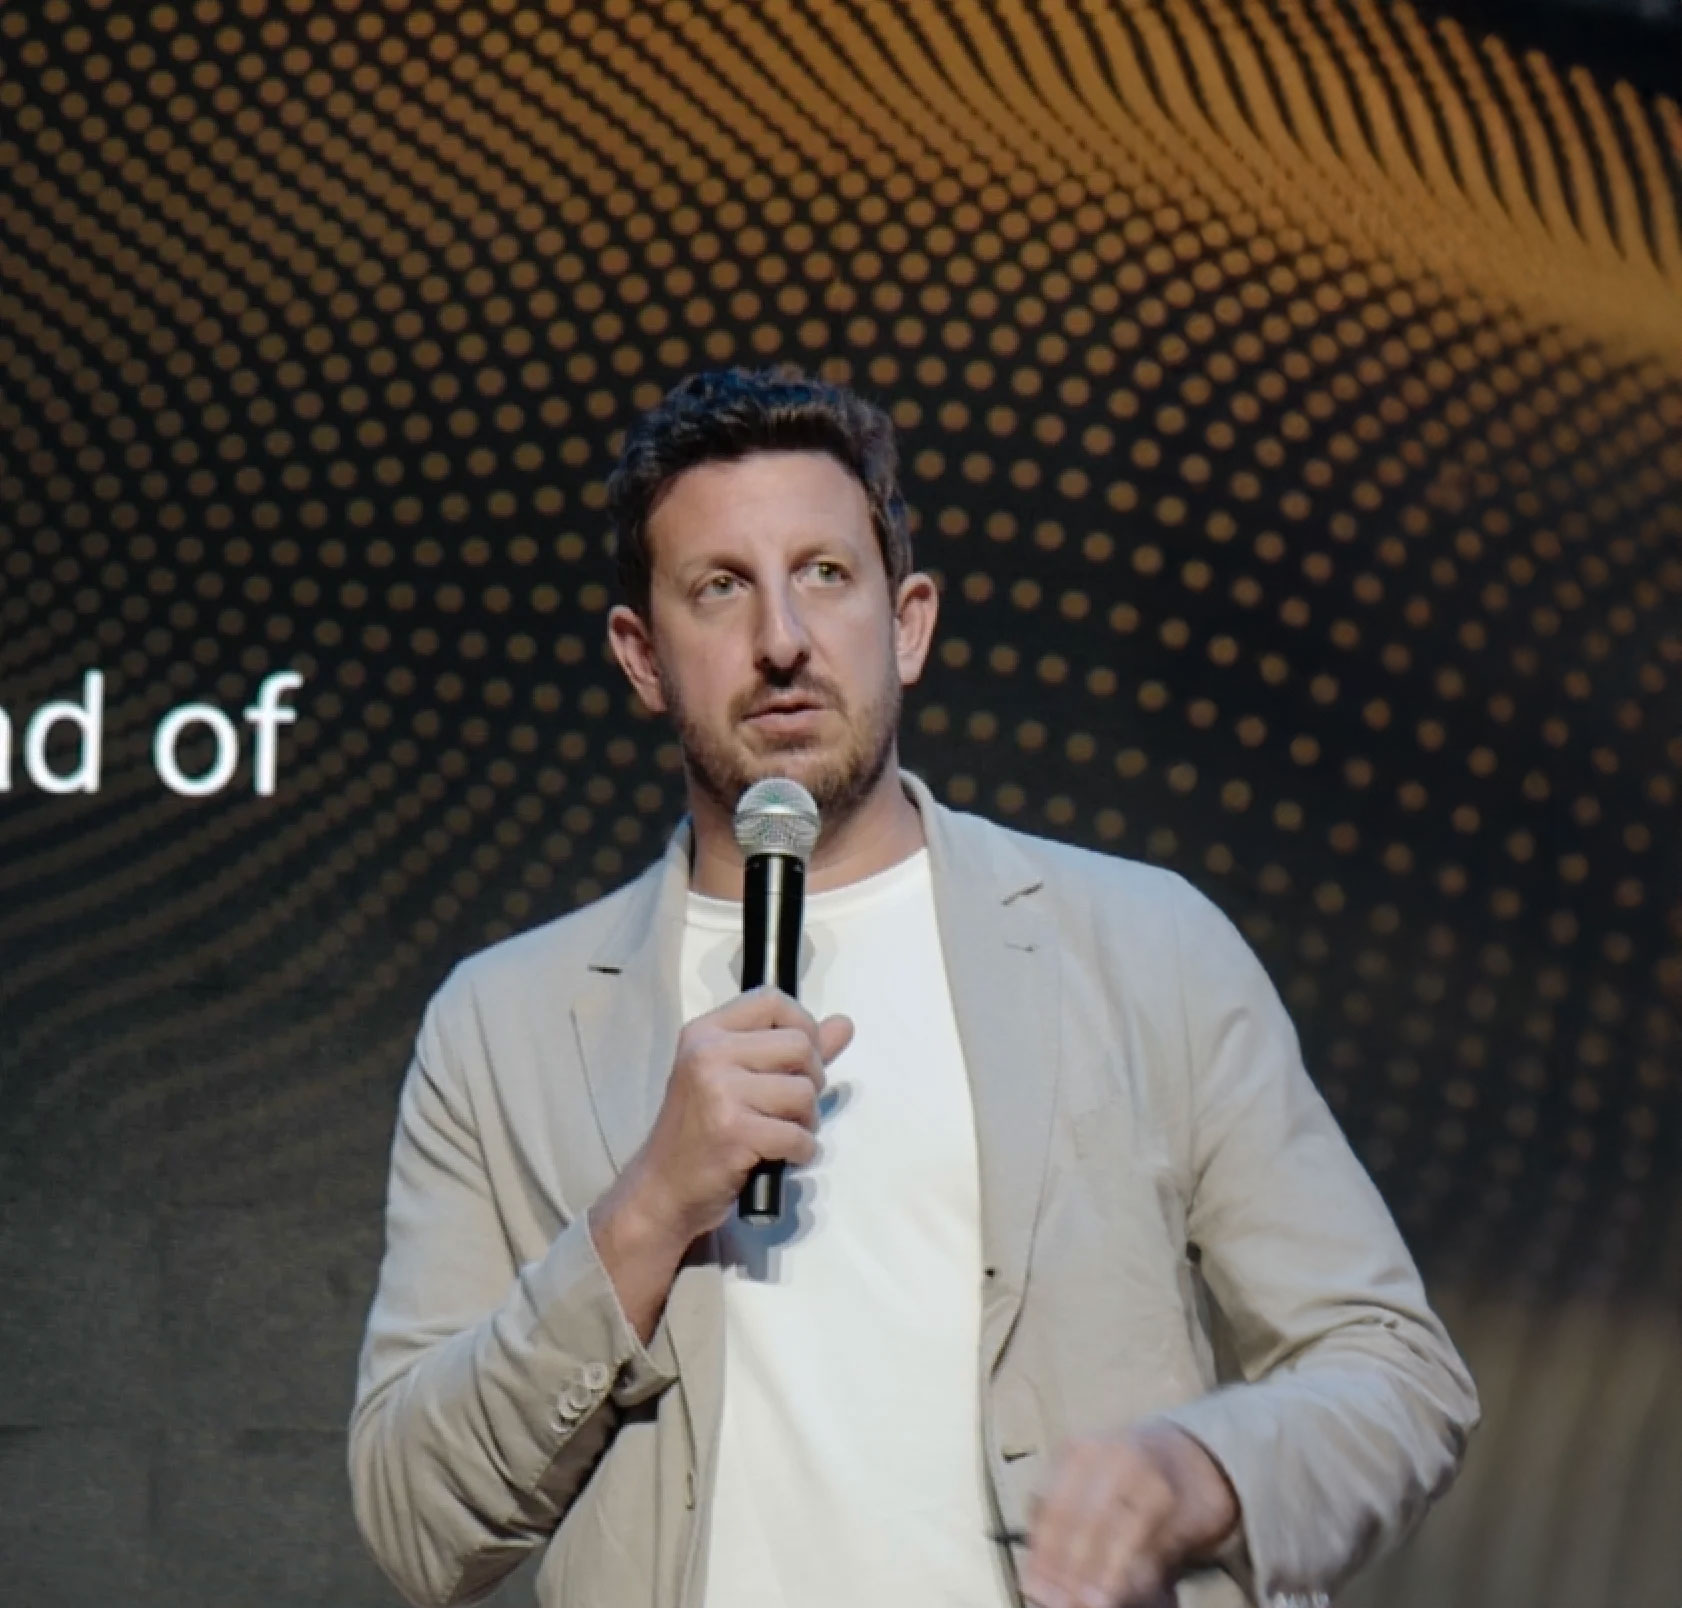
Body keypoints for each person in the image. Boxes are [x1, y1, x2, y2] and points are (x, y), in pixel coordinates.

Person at [349, 368, 1478, 1608]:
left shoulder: (1144, 945)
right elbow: (416, 1520)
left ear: (908, 623)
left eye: (824, 574)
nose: (780, 638)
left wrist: (1196, 1467)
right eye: (719, 588)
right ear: (641, 656)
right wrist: (644, 1215)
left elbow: (1393, 1372)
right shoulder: (502, 1023)